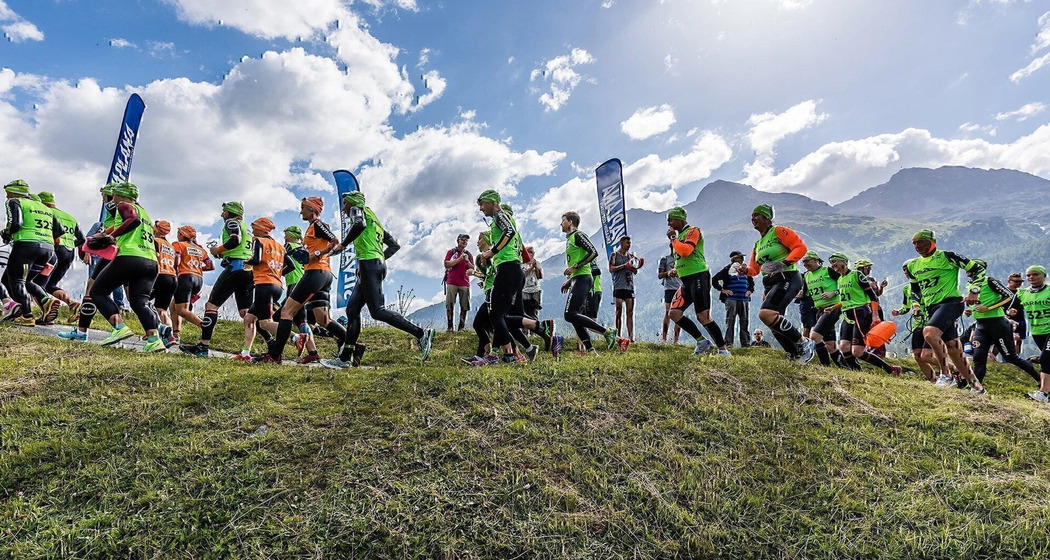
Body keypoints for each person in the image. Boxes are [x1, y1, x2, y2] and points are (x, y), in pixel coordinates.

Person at [319, 191, 435, 368]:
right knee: (352, 309)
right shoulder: (375, 219)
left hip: (368, 264)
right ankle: (344, 358)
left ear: (352, 202)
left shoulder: (357, 210)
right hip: (373, 264)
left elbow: (359, 225)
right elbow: (395, 245)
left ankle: (421, 333)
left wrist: (343, 245)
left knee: (377, 311)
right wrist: (379, 259)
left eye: (345, 203)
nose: (343, 207)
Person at [68, 182, 165, 352]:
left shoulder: (124, 205)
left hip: (130, 257)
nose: (112, 199)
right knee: (139, 302)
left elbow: (132, 221)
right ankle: (154, 340)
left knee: (97, 292)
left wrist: (111, 237)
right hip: (150, 262)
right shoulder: (146, 214)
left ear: (118, 195)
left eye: (113, 195)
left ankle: (119, 328)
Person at [258, 196, 350, 364]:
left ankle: (275, 355)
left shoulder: (318, 224)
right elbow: (329, 247)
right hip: (325, 275)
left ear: (312, 209)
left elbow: (335, 241)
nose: (301, 211)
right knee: (323, 320)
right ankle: (352, 345)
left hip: (315, 273)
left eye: (303, 208)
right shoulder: (311, 228)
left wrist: (314, 255)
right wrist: (319, 254)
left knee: (286, 312)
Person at [903, 229, 985, 389]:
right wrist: (916, 305)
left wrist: (974, 291)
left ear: (931, 242)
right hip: (932, 308)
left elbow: (977, 269)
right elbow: (915, 289)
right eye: (914, 243)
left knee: (930, 333)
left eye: (921, 242)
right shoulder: (912, 265)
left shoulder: (947, 256)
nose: (917, 246)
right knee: (952, 349)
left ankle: (946, 374)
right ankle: (977, 387)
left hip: (951, 303)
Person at [180, 201, 255, 357]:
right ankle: (259, 347)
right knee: (246, 313)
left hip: (236, 267)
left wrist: (218, 250)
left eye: (224, 211)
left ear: (230, 212)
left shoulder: (232, 222)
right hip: (249, 269)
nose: (222, 215)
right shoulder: (247, 227)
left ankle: (203, 346)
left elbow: (235, 240)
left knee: (211, 306)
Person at [745, 204, 814, 361]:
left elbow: (800, 247)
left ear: (767, 219)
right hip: (770, 283)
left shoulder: (778, 231)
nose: (753, 218)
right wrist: (744, 270)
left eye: (757, 215)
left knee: (766, 314)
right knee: (773, 322)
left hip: (787, 277)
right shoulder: (758, 244)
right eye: (752, 215)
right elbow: (754, 270)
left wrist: (784, 263)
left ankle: (803, 342)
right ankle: (795, 355)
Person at [963, 261, 1040, 388]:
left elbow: (1009, 295)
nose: (967, 269)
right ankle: (976, 388)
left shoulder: (990, 280)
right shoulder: (970, 284)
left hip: (998, 324)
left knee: (1011, 357)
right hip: (981, 325)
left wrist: (988, 308)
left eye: (971, 267)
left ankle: (1040, 380)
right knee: (978, 358)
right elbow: (978, 302)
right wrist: (970, 310)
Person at [665, 206, 728, 356]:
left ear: (680, 219)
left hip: (699, 276)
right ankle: (702, 342)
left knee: (703, 316)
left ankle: (723, 350)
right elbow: (680, 257)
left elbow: (686, 250)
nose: (669, 224)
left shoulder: (693, 231)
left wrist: (673, 239)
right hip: (686, 281)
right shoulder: (677, 238)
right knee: (673, 313)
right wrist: (676, 269)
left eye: (671, 220)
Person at [556, 210, 619, 356]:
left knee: (569, 314)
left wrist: (575, 267)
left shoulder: (578, 235)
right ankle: (590, 350)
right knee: (574, 315)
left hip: (584, 278)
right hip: (578, 278)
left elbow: (593, 252)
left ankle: (607, 332)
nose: (561, 223)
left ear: (570, 222)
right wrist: (570, 279)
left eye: (563, 220)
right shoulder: (570, 238)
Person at [829, 254, 903, 377]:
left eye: (834, 262)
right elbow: (846, 299)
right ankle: (855, 372)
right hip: (847, 315)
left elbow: (873, 296)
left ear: (843, 262)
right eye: (831, 263)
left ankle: (891, 369)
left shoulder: (856, 275)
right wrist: (833, 307)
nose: (832, 265)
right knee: (844, 347)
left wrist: (875, 315)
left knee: (857, 351)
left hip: (860, 313)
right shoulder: (840, 279)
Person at [2, 180, 60, 327]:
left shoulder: (15, 201)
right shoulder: (42, 206)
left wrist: (6, 234)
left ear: (14, 191)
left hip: (26, 245)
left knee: (16, 281)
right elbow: (59, 230)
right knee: (24, 280)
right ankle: (47, 301)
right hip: (48, 248)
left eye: (7, 193)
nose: (6, 197)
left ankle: (27, 316)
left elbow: (15, 223)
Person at [235, 217, 293, 361]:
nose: (253, 231)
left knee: (265, 322)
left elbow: (256, 260)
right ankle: (245, 354)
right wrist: (277, 274)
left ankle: (296, 337)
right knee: (249, 318)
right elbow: (290, 266)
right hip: (277, 286)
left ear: (261, 228)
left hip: (264, 285)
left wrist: (243, 260)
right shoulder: (280, 246)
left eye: (254, 227)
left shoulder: (259, 241)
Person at [34, 191, 83, 322]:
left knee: (36, 284)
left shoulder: (46, 212)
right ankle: (72, 303)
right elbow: (82, 239)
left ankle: (46, 314)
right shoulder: (70, 217)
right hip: (69, 253)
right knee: (51, 285)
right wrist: (71, 244)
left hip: (53, 251)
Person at [169, 225, 213, 346]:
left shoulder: (178, 244)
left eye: (178, 232)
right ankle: (176, 334)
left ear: (182, 235)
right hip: (198, 279)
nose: (177, 235)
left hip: (185, 278)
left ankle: (205, 327)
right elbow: (211, 266)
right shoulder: (200, 249)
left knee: (182, 310)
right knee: (173, 305)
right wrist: (196, 268)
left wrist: (173, 270)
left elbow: (177, 261)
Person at [891, 275, 938, 382]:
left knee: (927, 356)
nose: (907, 274)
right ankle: (934, 381)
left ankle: (953, 369)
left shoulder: (929, 286)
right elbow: (906, 307)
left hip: (931, 324)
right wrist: (898, 312)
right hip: (917, 325)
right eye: (905, 272)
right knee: (917, 356)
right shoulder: (907, 289)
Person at [801, 251, 842, 367]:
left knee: (815, 336)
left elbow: (845, 283)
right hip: (819, 310)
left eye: (807, 261)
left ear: (815, 260)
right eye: (803, 262)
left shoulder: (827, 271)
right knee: (830, 345)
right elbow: (805, 293)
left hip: (833, 307)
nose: (805, 264)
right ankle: (845, 367)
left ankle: (825, 366)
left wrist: (833, 293)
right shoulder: (807, 275)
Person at [1016, 266, 1050, 403]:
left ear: (1044, 275)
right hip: (1037, 332)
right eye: (1028, 275)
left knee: (1045, 359)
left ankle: (1042, 393)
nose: (1031, 277)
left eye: (1035, 274)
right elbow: (1012, 308)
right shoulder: (1022, 293)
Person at [712, 250, 753, 348]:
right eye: (739, 257)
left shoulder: (745, 269)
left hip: (744, 299)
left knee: (744, 320)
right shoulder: (727, 269)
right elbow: (714, 279)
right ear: (733, 259)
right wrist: (723, 290)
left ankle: (746, 343)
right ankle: (729, 343)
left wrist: (750, 290)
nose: (742, 259)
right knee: (730, 321)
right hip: (731, 299)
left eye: (741, 257)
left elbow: (751, 283)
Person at [609, 235, 642, 341]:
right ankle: (618, 336)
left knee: (630, 312)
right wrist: (624, 266)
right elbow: (611, 268)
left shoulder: (631, 256)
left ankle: (631, 337)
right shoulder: (614, 255)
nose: (629, 245)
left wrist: (634, 267)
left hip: (629, 287)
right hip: (618, 286)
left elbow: (635, 271)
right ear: (622, 243)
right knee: (618, 311)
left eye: (630, 243)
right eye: (627, 243)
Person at [150, 220, 178, 345]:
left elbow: (153, 257)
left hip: (160, 275)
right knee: (162, 310)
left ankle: (154, 329)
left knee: (141, 301)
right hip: (172, 277)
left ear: (156, 229)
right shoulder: (171, 246)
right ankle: (170, 336)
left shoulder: (155, 241)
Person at [443, 233, 474, 332]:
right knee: (450, 304)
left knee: (464, 306)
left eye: (466, 240)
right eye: (462, 239)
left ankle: (461, 327)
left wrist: (467, 261)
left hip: (464, 283)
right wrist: (459, 259)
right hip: (451, 281)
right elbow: (446, 264)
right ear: (458, 240)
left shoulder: (469, 255)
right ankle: (450, 327)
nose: (464, 241)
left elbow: (473, 268)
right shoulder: (451, 252)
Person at [658, 244, 682, 344]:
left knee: (679, 314)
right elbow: (659, 275)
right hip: (669, 288)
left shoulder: (683, 260)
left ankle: (675, 341)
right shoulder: (665, 259)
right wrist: (668, 273)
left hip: (681, 288)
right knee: (668, 312)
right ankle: (664, 339)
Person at [1005, 272, 1027, 356]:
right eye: (1016, 281)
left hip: (1020, 317)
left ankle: (1017, 357)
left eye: (1021, 281)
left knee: (1019, 339)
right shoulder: (1004, 291)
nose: (1019, 283)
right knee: (1008, 338)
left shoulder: (1022, 292)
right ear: (1009, 281)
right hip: (1007, 318)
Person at [521, 246, 543, 320]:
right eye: (530, 252)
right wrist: (531, 268)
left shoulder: (537, 263)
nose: (532, 254)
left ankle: (535, 327)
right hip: (525, 290)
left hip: (536, 289)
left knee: (535, 310)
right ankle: (526, 329)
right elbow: (523, 275)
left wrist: (536, 267)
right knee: (525, 310)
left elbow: (540, 276)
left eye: (533, 252)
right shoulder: (522, 264)